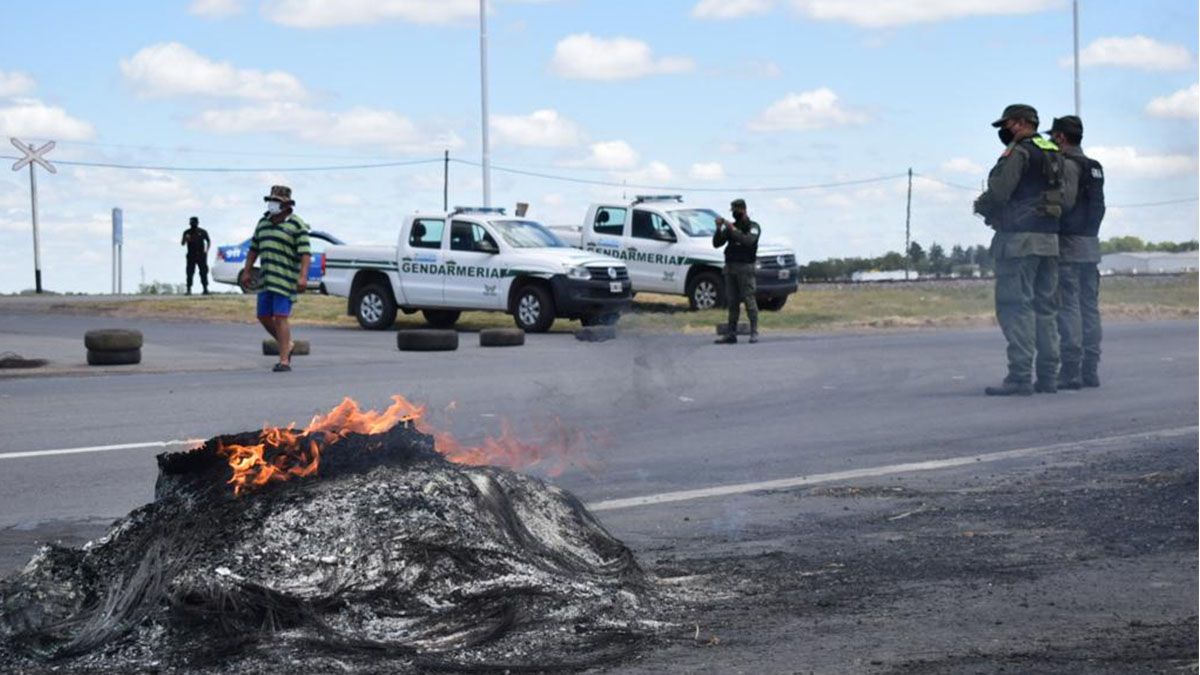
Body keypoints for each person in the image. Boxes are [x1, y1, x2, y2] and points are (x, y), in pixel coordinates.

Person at [973, 104, 1066, 396]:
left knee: (1016, 308)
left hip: (1019, 241)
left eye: (1008, 123)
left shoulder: (1019, 152)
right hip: (1049, 240)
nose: (1005, 129)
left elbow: (1000, 192)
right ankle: (1048, 376)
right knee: (1045, 309)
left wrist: (982, 206)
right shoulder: (1053, 151)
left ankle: (1020, 376)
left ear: (1022, 123)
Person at [1048, 115, 1105, 389]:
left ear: (1061, 137)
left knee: (1068, 307)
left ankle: (1070, 370)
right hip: (1090, 246)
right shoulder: (1094, 167)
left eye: (1053, 136)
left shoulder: (1068, 165)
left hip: (1069, 247)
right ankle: (1090, 370)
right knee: (1089, 308)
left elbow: (1065, 203)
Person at [240, 185, 311, 372]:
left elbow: (305, 253)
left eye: (277, 201)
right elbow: (254, 249)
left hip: (285, 279)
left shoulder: (296, 225)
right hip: (266, 278)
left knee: (280, 317)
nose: (272, 204)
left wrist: (303, 277)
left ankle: (284, 360)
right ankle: (287, 344)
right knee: (263, 316)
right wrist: (247, 271)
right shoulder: (263, 222)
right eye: (271, 200)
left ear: (287, 204)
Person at [712, 198, 761, 344]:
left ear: (743, 210)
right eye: (732, 211)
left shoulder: (753, 226)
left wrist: (732, 229)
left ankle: (754, 332)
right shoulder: (731, 227)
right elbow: (716, 243)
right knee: (732, 302)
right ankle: (731, 334)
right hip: (730, 267)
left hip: (745, 268)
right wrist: (719, 228)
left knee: (749, 300)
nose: (734, 213)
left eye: (736, 210)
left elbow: (748, 241)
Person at [181, 216, 211, 295]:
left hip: (201, 255)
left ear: (197, 223)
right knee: (190, 272)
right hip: (191, 255)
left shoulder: (202, 231)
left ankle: (205, 289)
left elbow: (208, 241)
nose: (193, 224)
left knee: (203, 272)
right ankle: (189, 289)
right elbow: (182, 243)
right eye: (191, 223)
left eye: (194, 223)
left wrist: (206, 250)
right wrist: (186, 239)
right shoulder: (187, 232)